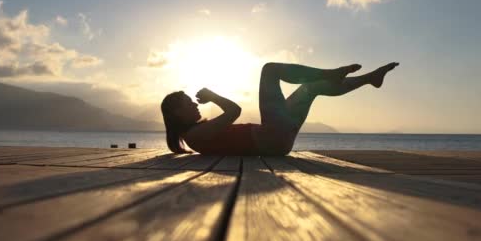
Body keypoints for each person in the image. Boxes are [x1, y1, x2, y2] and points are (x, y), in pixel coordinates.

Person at [161, 62, 399, 155]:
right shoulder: (194, 135)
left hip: (276, 137)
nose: (193, 103)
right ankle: (330, 73)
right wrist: (212, 96)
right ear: (176, 113)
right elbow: (234, 111)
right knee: (270, 70)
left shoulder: (195, 134)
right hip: (274, 137)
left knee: (311, 88)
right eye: (187, 102)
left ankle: (370, 79)